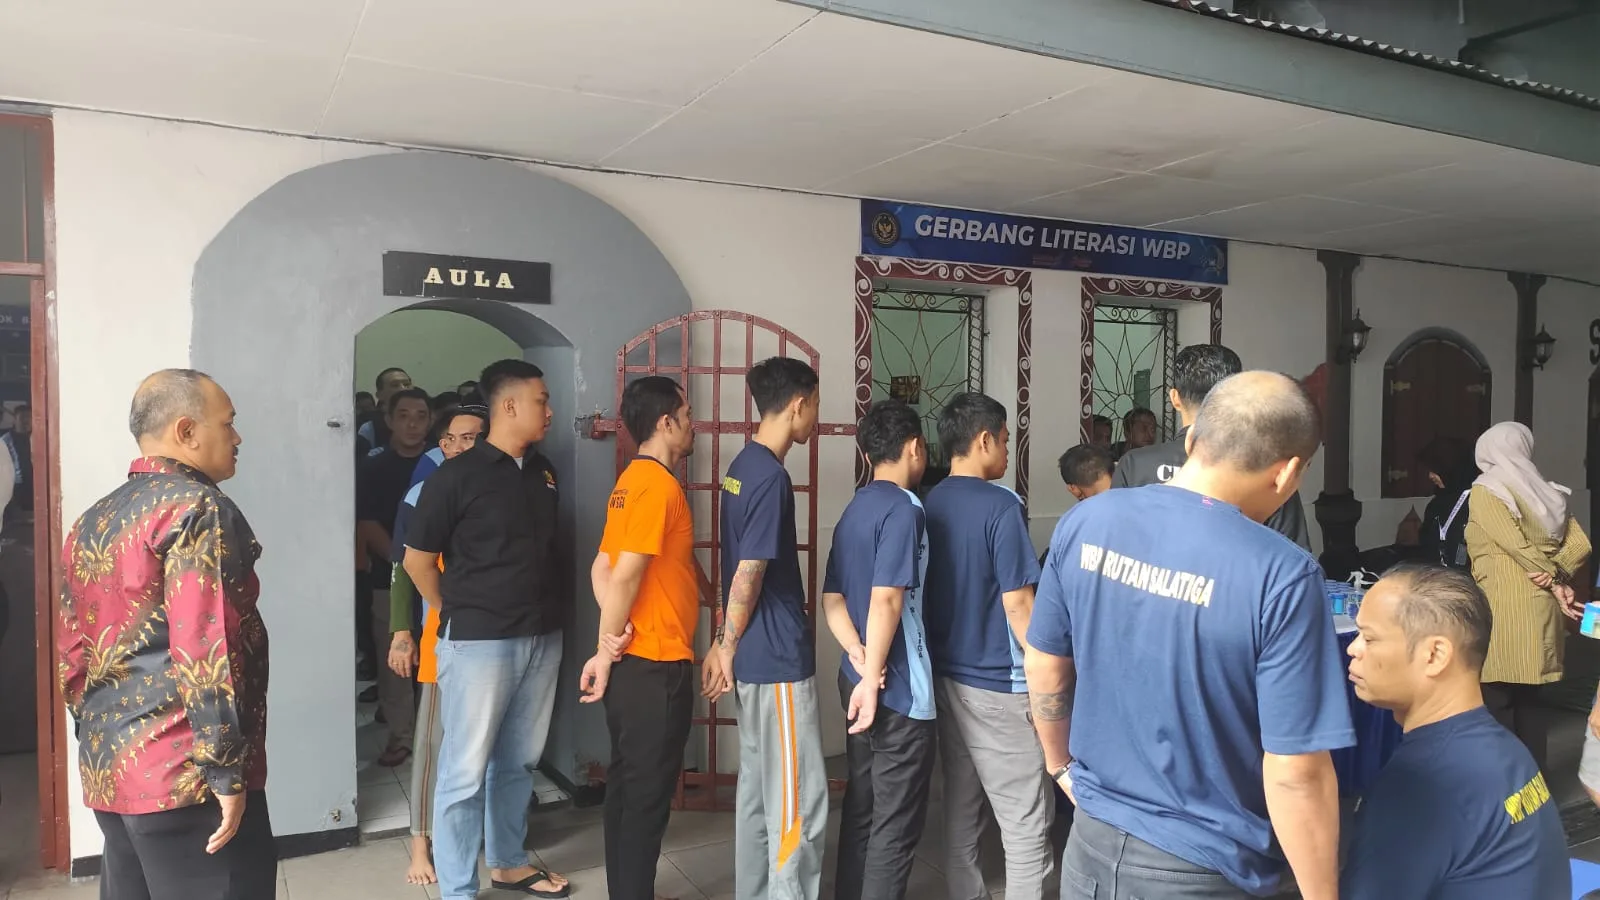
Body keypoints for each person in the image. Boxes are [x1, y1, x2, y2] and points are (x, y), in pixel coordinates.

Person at [1027, 371, 1351, 900]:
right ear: (1289, 472)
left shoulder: (1087, 521)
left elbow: (1045, 663)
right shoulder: (1283, 574)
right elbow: (1297, 771)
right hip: (1207, 867)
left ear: (1192, 438)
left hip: (1091, 845)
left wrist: (1059, 765)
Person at [58, 369, 273, 900]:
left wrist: (104, 742)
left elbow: (72, 654)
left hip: (114, 770)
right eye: (228, 423)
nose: (238, 436)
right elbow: (206, 647)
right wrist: (224, 771)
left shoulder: (93, 519)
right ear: (186, 431)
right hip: (186, 776)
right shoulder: (197, 508)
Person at [403, 360, 569, 900]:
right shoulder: (455, 477)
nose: (549, 411)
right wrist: (455, 609)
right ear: (510, 406)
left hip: (541, 636)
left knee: (519, 760)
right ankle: (457, 889)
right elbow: (416, 561)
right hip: (479, 643)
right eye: (542, 400)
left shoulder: (543, 472)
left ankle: (508, 863)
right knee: (465, 770)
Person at [1342, 563, 1569, 899]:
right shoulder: (1507, 750)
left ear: (1434, 654)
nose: (1353, 648)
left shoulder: (1421, 787)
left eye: (1369, 638)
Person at [922, 393, 1053, 900]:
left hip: (945, 676)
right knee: (1025, 823)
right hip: (999, 682)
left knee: (961, 804)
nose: (1006, 450)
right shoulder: (1002, 505)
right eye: (1004, 440)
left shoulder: (928, 501)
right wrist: (1045, 670)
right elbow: (1019, 603)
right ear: (983, 440)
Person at [577, 375, 700, 900]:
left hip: (637, 663)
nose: (693, 425)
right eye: (687, 416)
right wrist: (606, 650)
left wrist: (612, 638)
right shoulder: (657, 487)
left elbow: (601, 568)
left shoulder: (630, 481)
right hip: (655, 664)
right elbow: (624, 575)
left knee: (628, 790)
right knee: (646, 799)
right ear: (666, 422)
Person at [711, 356, 827, 900]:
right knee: (797, 805)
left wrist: (724, 643)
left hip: (754, 659)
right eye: (816, 405)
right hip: (776, 660)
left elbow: (734, 565)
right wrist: (726, 644)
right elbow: (750, 571)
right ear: (798, 404)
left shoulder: (740, 467)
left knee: (760, 796)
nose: (816, 417)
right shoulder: (772, 478)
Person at [822, 398, 935, 900]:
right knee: (895, 826)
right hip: (897, 689)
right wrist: (874, 678)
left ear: (868, 454)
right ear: (915, 447)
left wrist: (858, 653)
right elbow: (886, 597)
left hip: (856, 676)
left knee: (863, 807)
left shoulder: (855, 508)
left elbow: (831, 599)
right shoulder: (906, 509)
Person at [385, 405, 487, 886]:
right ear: (441, 446)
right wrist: (402, 632)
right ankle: (421, 844)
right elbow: (404, 567)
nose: (464, 447)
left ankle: (478, 834)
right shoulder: (421, 495)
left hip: (492, 637)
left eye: (474, 438)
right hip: (441, 635)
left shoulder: (501, 490)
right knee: (432, 743)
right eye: (456, 439)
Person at [1465, 421, 1591, 771]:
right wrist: (1557, 575)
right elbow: (1580, 544)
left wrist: (1551, 577)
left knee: (1496, 697)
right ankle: (1534, 784)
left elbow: (1514, 544)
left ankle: (1505, 784)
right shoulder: (1549, 492)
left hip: (1504, 606)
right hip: (1541, 606)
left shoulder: (1487, 490)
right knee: (1531, 701)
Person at [1111, 344, 1312, 549]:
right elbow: (1295, 556)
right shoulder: (1271, 473)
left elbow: (1115, 539)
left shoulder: (1133, 464)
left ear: (1175, 398)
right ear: (1236, 397)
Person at [358, 386, 432, 766]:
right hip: (388, 577)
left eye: (420, 416)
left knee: (433, 658)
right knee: (397, 664)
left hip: (437, 579)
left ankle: (432, 735)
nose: (412, 424)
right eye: (403, 416)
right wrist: (404, 564)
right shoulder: (374, 468)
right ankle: (402, 736)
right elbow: (367, 523)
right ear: (388, 421)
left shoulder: (441, 464)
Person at [1416, 435, 1478, 571]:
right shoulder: (1436, 504)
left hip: (1468, 580)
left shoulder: (1477, 500)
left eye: (1436, 470)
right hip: (1437, 577)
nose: (1430, 476)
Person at [358, 366, 413, 449]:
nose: (403, 389)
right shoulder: (370, 428)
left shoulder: (426, 421)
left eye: (407, 384)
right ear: (379, 395)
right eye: (395, 385)